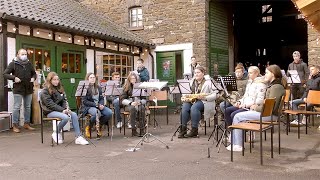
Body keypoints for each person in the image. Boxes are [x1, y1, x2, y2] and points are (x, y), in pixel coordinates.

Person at [227, 65, 286, 151]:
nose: (265, 74)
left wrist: (255, 107)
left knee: (237, 116)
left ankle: (238, 144)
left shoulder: (276, 87)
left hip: (269, 115)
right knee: (238, 115)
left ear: (273, 74)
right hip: (266, 113)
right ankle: (235, 141)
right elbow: (267, 103)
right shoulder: (274, 86)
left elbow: (270, 107)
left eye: (266, 73)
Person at [40, 72, 88, 145]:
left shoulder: (59, 88)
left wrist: (66, 108)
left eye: (57, 79)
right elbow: (50, 104)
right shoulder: (45, 91)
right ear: (50, 80)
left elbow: (63, 101)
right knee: (65, 117)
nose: (56, 81)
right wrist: (62, 110)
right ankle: (56, 132)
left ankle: (78, 137)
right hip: (49, 111)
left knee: (74, 114)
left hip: (60, 110)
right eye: (54, 80)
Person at [178, 66, 219, 138]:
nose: (196, 74)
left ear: (203, 73)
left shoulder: (209, 82)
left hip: (205, 101)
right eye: (195, 73)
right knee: (184, 107)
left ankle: (194, 130)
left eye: (198, 72)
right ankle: (183, 129)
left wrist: (205, 98)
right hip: (193, 100)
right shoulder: (192, 82)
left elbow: (216, 94)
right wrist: (186, 97)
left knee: (194, 107)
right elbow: (187, 92)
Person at [3, 48, 37, 133]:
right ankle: (15, 125)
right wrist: (14, 78)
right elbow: (5, 74)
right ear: (18, 55)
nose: (24, 56)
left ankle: (26, 123)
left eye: (25, 54)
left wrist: (33, 78)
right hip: (18, 88)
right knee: (17, 107)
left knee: (28, 107)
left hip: (28, 88)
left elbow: (34, 73)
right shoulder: (13, 64)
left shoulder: (29, 63)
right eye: (22, 54)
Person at [81, 73, 112, 139]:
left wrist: (101, 104)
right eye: (91, 78)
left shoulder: (98, 88)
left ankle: (99, 125)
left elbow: (101, 98)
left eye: (93, 77)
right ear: (87, 79)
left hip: (98, 105)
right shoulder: (84, 88)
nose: (92, 79)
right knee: (97, 113)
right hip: (89, 106)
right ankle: (89, 127)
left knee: (109, 113)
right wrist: (96, 105)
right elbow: (85, 101)